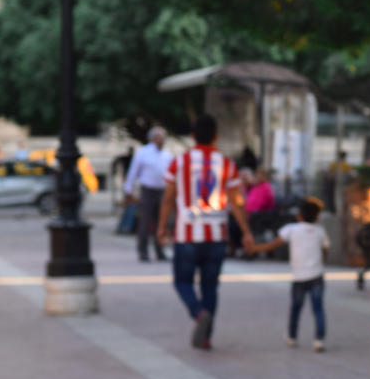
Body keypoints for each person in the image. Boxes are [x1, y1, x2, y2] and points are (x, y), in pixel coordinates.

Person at [157, 114, 254, 350]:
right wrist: (246, 232)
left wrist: (161, 226)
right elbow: (237, 202)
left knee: (182, 281)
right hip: (217, 235)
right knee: (210, 287)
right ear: (216, 137)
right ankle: (206, 337)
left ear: (192, 136)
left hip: (186, 234)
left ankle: (198, 313)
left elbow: (168, 198)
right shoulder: (227, 165)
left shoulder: (179, 163)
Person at [249, 196, 330, 351]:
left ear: (299, 215)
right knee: (318, 308)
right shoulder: (321, 232)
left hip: (299, 277)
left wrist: (255, 249)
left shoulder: (291, 229)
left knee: (296, 308)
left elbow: (273, 245)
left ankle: (292, 336)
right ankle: (319, 339)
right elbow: (325, 250)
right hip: (317, 276)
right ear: (318, 217)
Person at [124, 126, 173, 261]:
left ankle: (159, 250)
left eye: (163, 137)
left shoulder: (167, 155)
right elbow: (133, 171)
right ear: (153, 138)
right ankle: (143, 251)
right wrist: (128, 189)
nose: (161, 140)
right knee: (145, 221)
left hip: (162, 190)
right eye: (159, 137)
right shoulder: (143, 152)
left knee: (161, 221)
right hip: (148, 190)